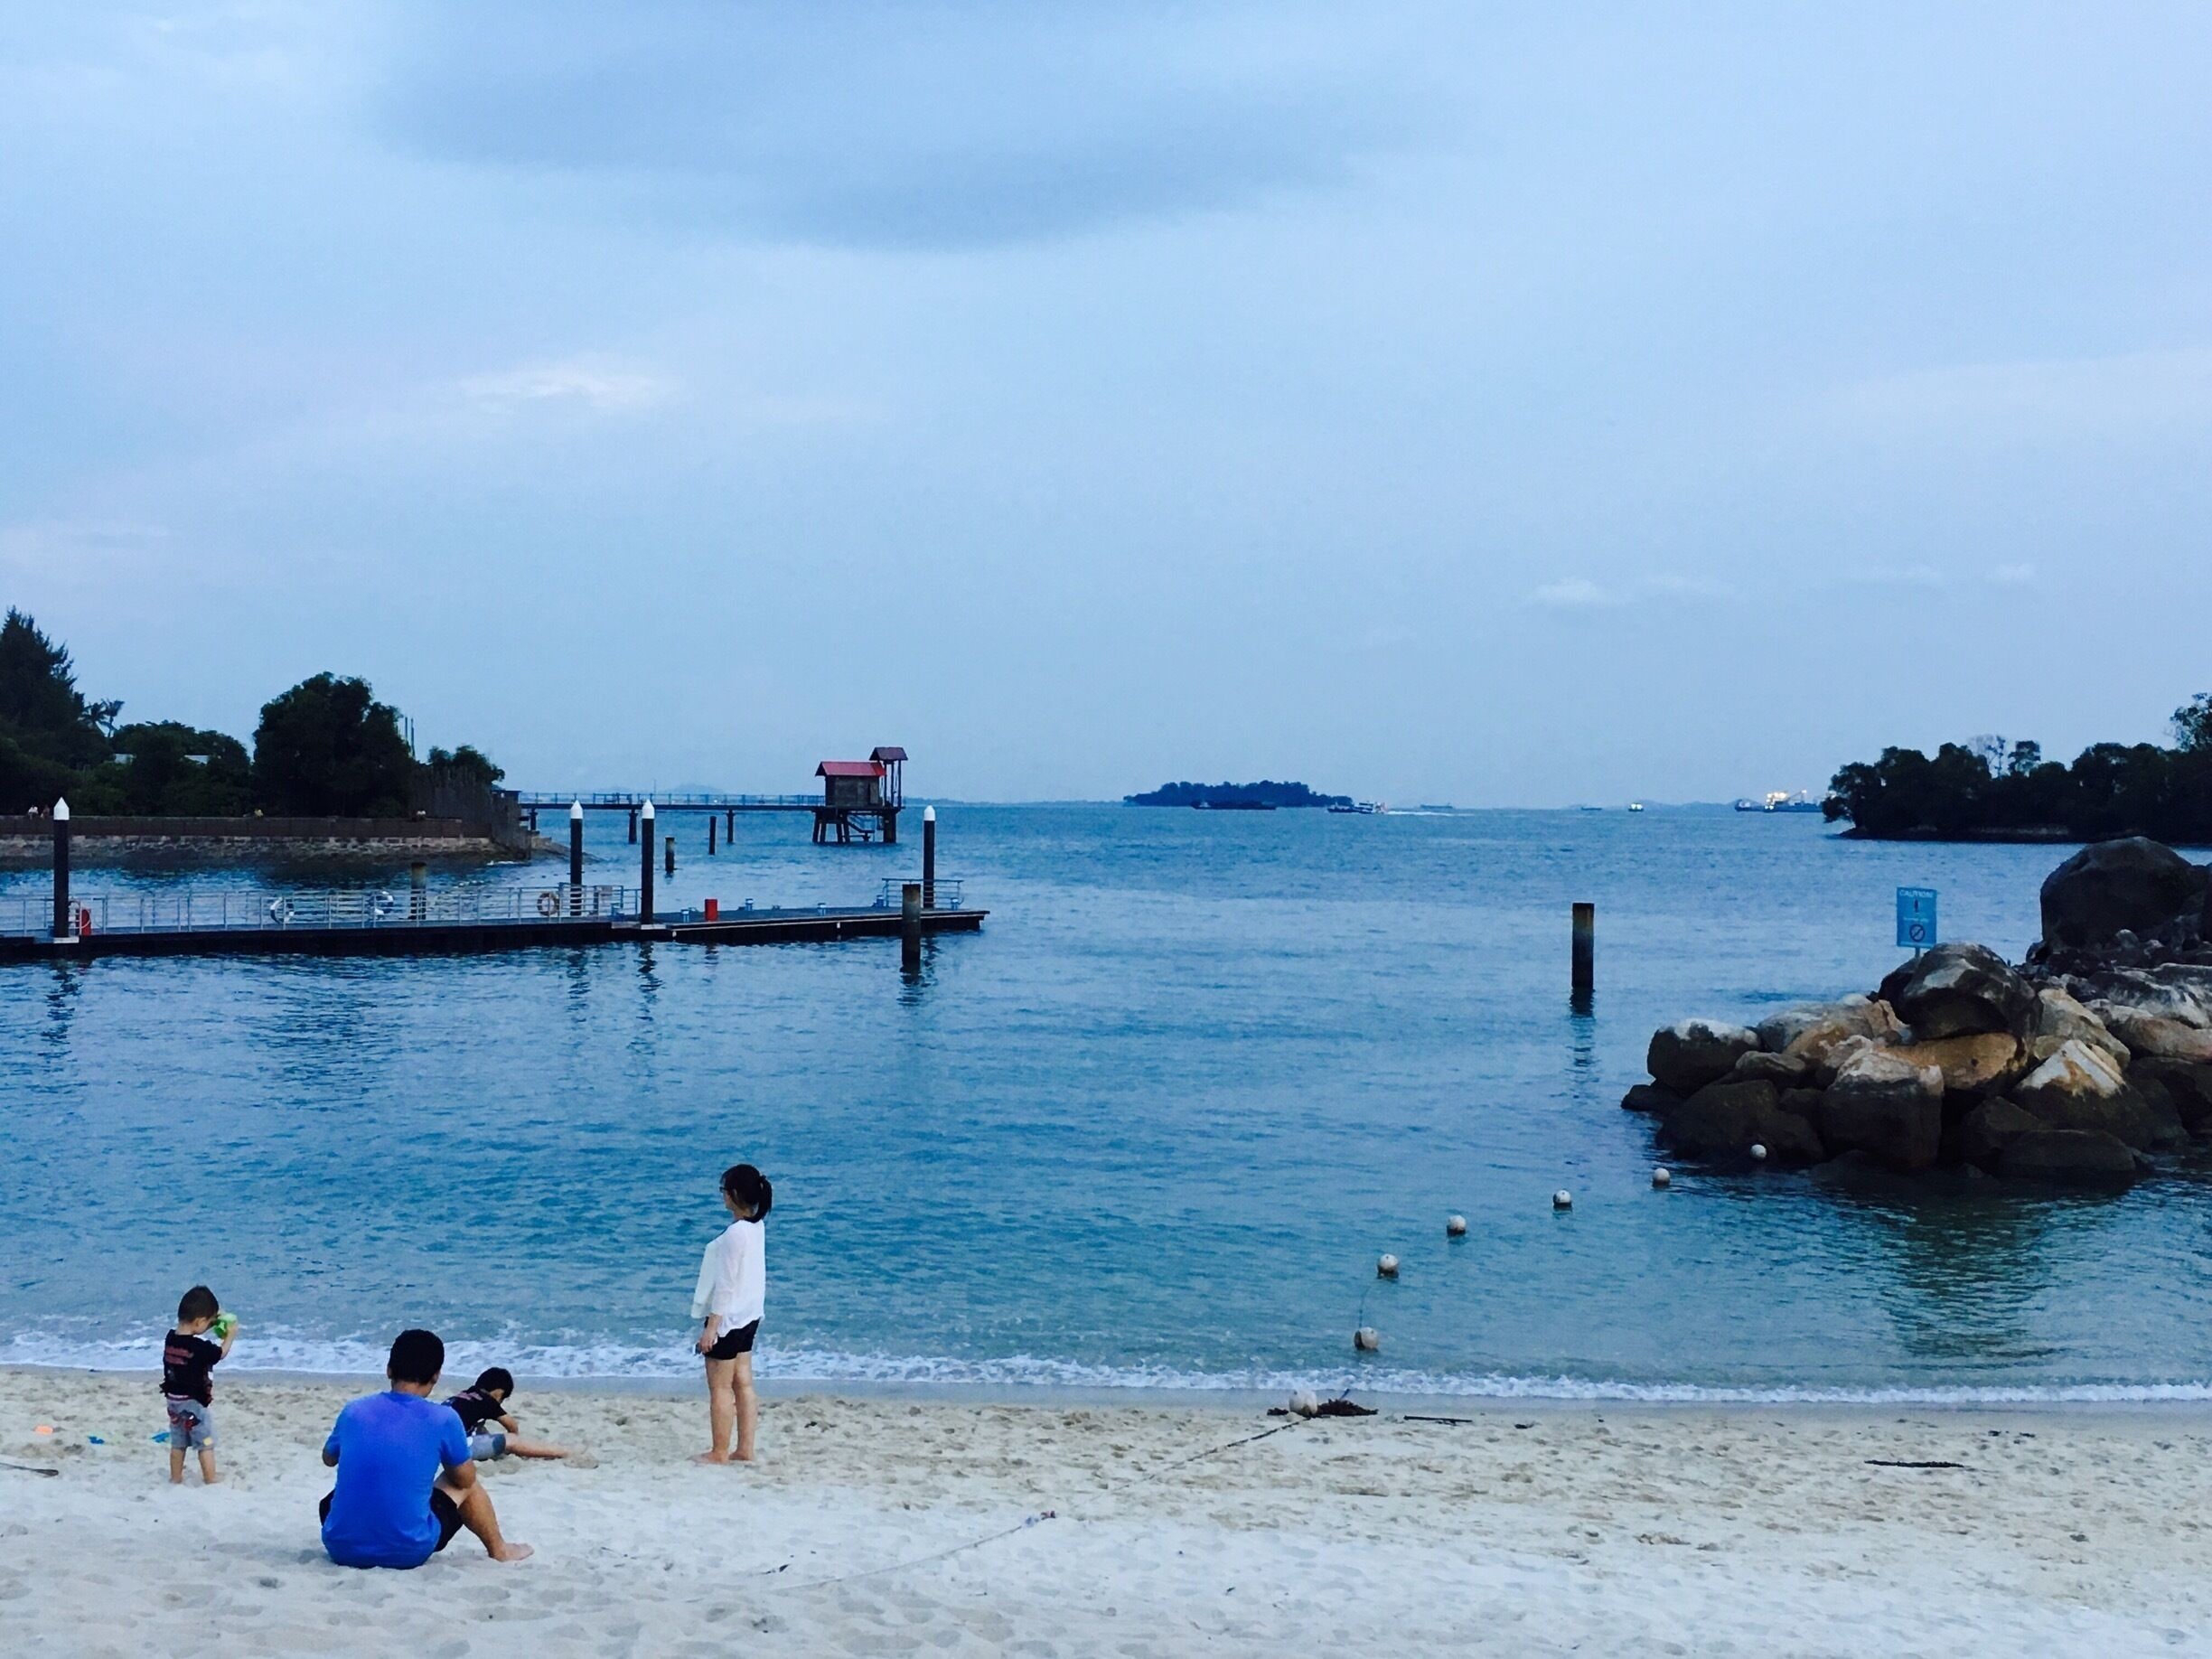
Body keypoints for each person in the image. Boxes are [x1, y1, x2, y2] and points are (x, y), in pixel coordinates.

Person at [319, 1328, 532, 1568]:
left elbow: (329, 1458)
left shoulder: (354, 1411)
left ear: (389, 1369)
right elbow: (464, 1479)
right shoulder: (444, 1418)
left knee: (351, 1488)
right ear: (436, 1376)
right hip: (408, 1550)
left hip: (340, 1547)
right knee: (466, 1482)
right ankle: (499, 1549)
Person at [691, 1162, 772, 1464]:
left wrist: (711, 1328)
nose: (722, 1195)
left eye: (724, 1190)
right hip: (750, 1314)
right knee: (744, 1384)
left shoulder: (735, 1234)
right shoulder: (756, 1227)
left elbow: (724, 1286)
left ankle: (719, 1451)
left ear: (734, 1194)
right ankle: (745, 1449)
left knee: (721, 1388)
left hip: (731, 1318)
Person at [161, 1285, 236, 1486]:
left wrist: (210, 1319)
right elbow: (219, 1354)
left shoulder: (170, 1339)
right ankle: (210, 1478)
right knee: (205, 1441)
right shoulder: (199, 1347)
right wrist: (230, 1335)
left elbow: (195, 1329)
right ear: (199, 1321)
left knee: (178, 1442)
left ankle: (175, 1477)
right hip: (194, 1403)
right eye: (208, 1322)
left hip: (173, 1402)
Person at [445, 1367, 576, 1463]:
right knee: (511, 1440)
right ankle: (564, 1452)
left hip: (434, 1439)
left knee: (479, 1429)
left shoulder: (462, 1396)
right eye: (503, 1398)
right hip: (452, 1448)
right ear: (498, 1393)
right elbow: (512, 1426)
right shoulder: (487, 1401)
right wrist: (514, 1442)